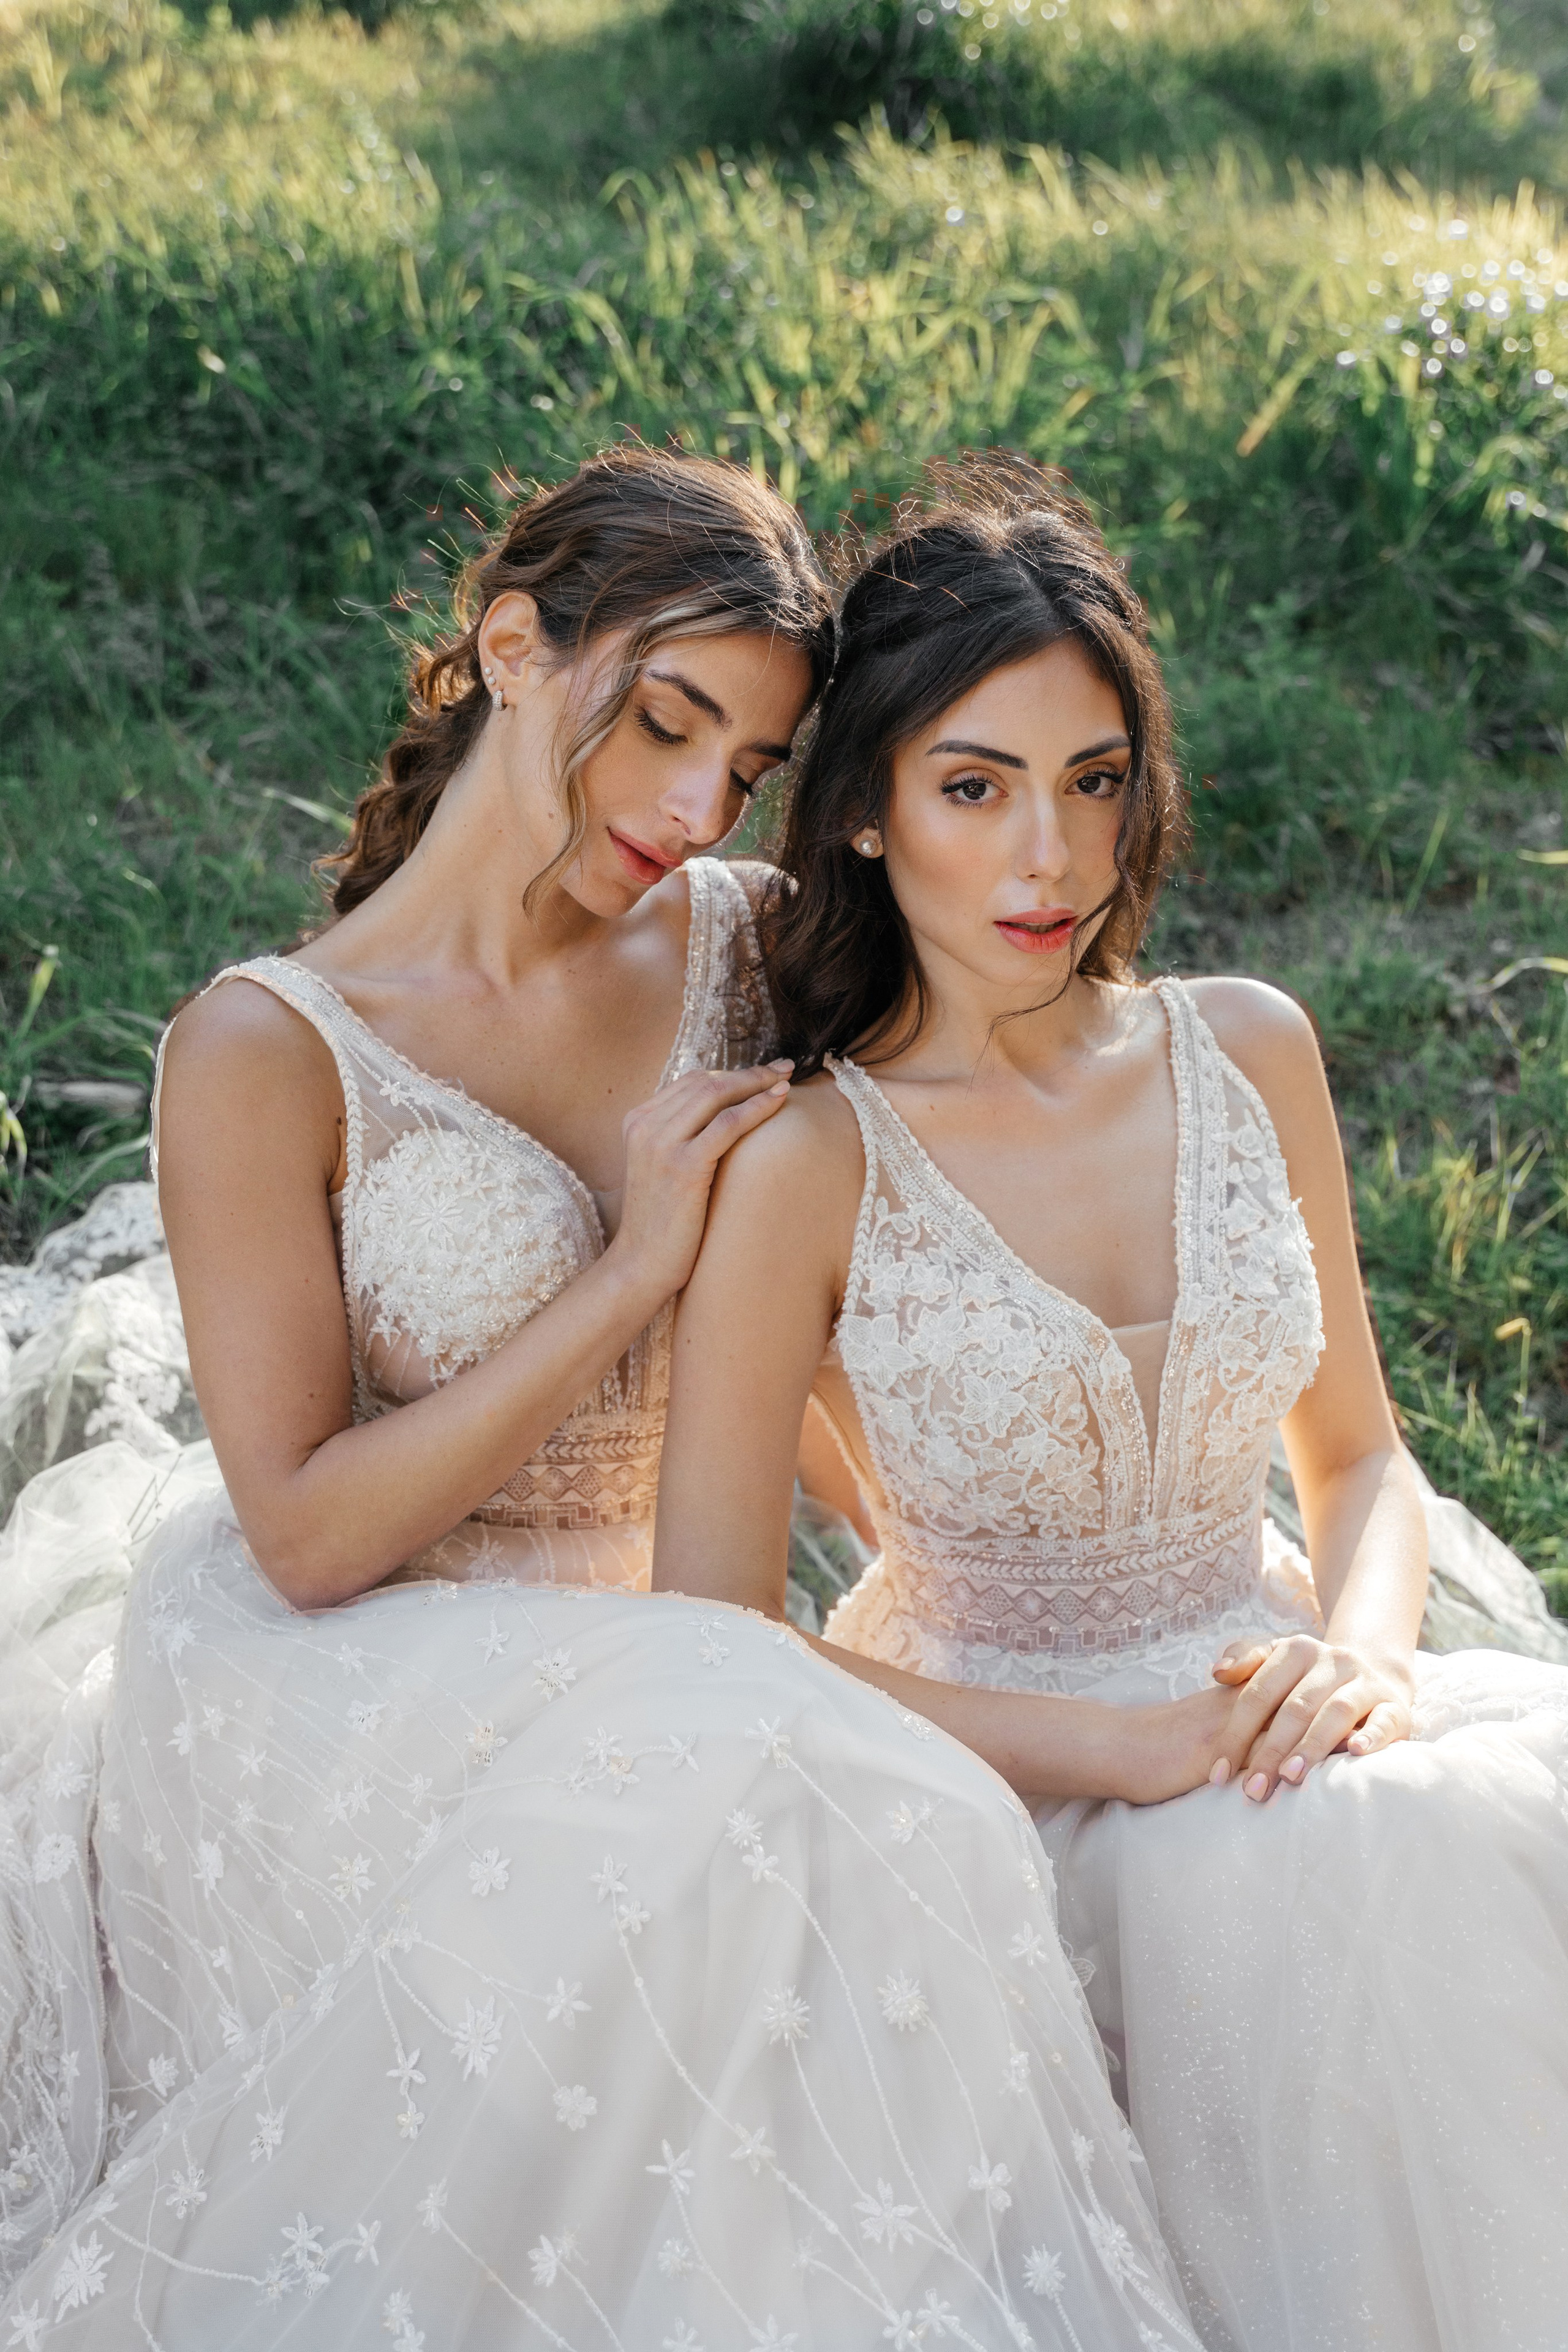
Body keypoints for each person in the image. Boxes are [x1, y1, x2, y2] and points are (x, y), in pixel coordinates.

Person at [0, 446, 1208, 2348]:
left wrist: (990, 1528)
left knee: (779, 1789)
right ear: (509, 647)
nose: (693, 802)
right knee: (791, 1779)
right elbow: (308, 1532)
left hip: (657, 1628)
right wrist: (632, 1266)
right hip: (349, 1669)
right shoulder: (265, 1045)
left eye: (745, 764)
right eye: (663, 722)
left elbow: (832, 1290)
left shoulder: (739, 940)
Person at [653, 454, 1568, 2352]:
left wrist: (1370, 1659)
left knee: (1419, 1866)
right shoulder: (814, 1163)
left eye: (1092, 784)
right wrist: (1120, 1756)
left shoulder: (1246, 1047)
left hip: (1278, 1690)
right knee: (1280, 1904)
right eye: (974, 790)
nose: (1045, 863)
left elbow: (1363, 1456)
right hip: (992, 1774)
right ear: (869, 820)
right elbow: (712, 1631)